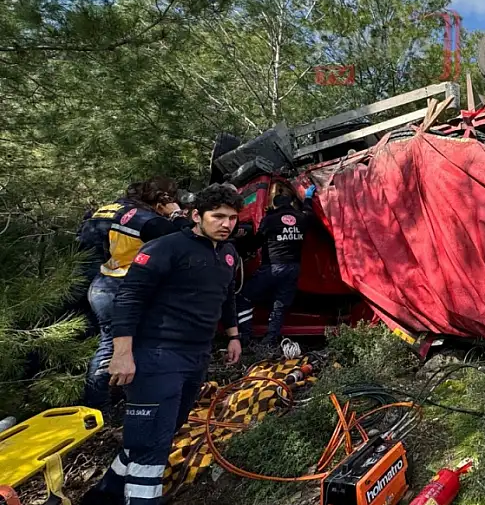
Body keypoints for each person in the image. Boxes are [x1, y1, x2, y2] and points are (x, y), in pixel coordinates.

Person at [80, 184, 244, 505]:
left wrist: (234, 336)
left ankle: (101, 498)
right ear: (196, 215)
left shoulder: (227, 253)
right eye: (218, 216)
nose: (226, 224)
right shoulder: (164, 248)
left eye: (233, 218)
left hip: (196, 356)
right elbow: (128, 299)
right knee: (151, 446)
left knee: (158, 433)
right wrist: (122, 354)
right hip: (157, 355)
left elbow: (226, 297)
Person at [83, 177, 193, 411]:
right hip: (122, 289)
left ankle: (105, 401)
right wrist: (176, 215)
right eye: (169, 199)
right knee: (118, 346)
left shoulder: (108, 210)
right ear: (161, 200)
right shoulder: (143, 219)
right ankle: (101, 407)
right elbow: (186, 239)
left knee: (110, 343)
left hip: (100, 282)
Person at [235, 182, 319, 346]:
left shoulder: (270, 220)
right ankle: (271, 339)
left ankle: (245, 336)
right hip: (293, 268)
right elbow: (309, 212)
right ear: (291, 204)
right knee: (279, 304)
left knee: (244, 297)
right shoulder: (301, 218)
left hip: (272, 268)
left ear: (274, 204)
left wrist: (240, 245)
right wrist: (308, 197)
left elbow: (256, 241)